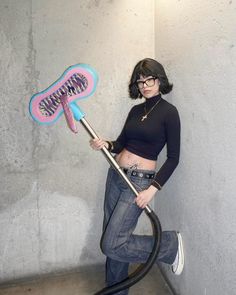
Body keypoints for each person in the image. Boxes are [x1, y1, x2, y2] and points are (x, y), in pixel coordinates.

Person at [90, 58, 184, 294]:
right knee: (112, 239)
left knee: (113, 243)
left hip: (138, 182)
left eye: (149, 79)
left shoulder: (169, 113)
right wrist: (105, 143)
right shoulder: (135, 110)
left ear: (159, 79)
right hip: (116, 175)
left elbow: (173, 158)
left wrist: (153, 188)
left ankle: (169, 245)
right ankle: (116, 291)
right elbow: (122, 143)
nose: (144, 85)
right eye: (140, 81)